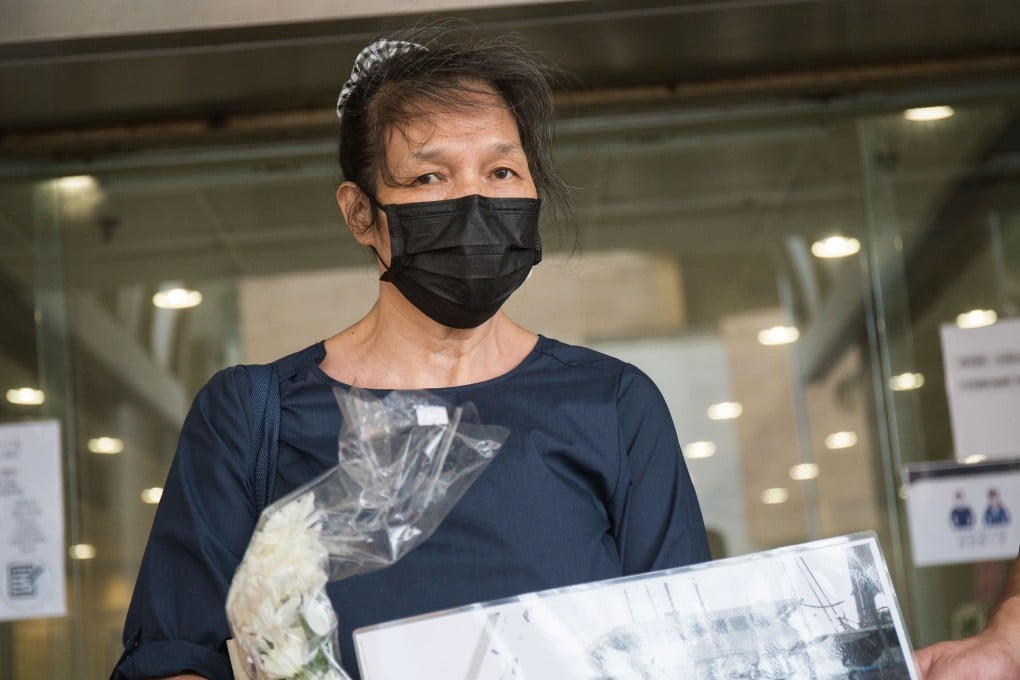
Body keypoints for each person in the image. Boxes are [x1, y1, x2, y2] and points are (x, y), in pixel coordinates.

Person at [110, 26, 710, 680]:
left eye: (502, 170)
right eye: (430, 176)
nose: (474, 202)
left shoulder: (612, 405)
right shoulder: (252, 417)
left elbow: (686, 647)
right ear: (360, 213)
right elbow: (173, 657)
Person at [915, 558, 1020, 679]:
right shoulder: (964, 616)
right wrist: (1010, 639)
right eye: (982, 570)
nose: (985, 578)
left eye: (989, 568)